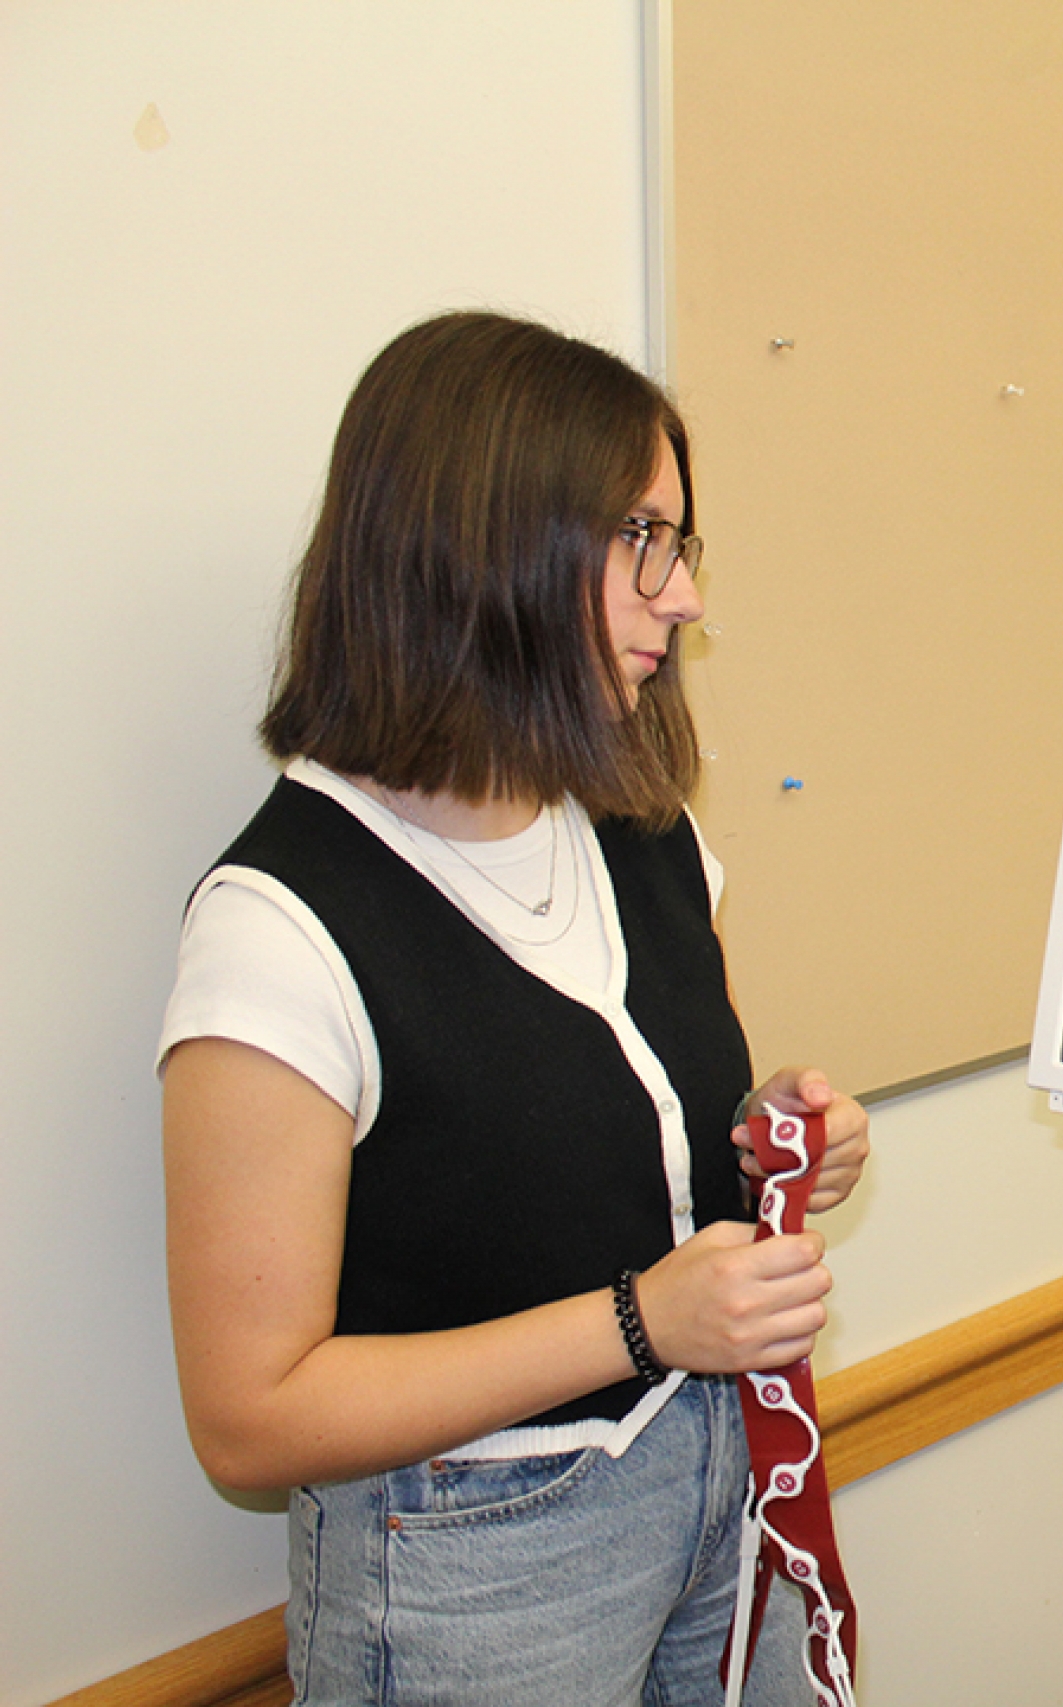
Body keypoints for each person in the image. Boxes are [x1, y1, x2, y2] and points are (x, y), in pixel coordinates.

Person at [160, 311, 871, 1705]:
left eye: (684, 546)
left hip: (722, 1480)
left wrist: (773, 1135)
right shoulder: (281, 933)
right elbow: (250, 1419)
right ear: (491, 550)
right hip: (474, 1562)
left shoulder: (639, 823)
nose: (683, 599)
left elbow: (616, 1138)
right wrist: (640, 1323)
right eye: (642, 543)